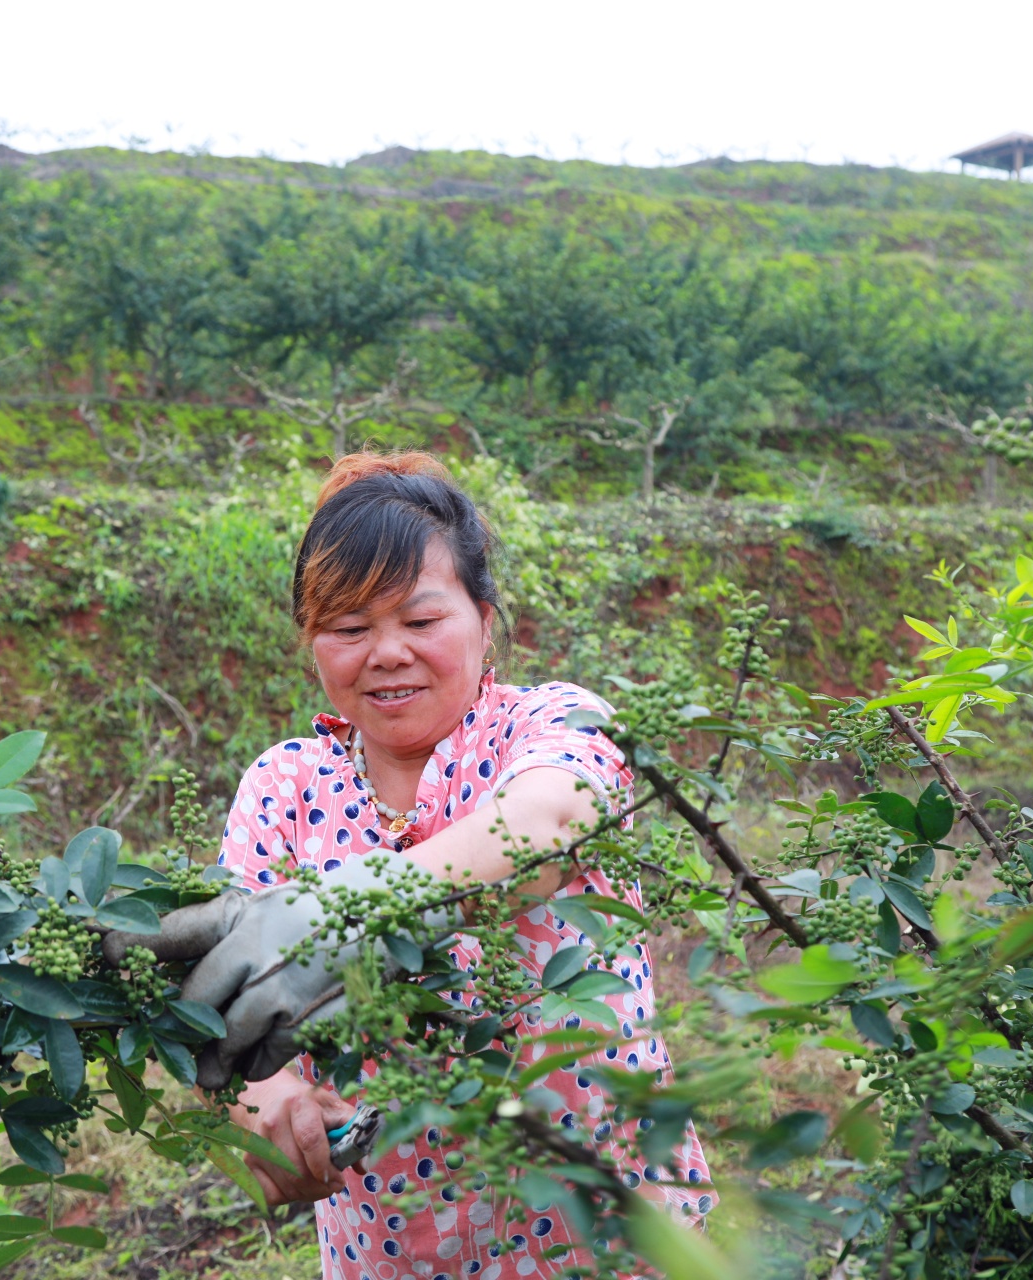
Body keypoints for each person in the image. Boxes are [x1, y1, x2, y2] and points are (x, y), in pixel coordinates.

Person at [150, 452, 709, 1280]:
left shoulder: (555, 723)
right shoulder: (282, 787)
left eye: (419, 621)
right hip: (393, 1249)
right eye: (348, 628)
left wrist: (362, 905)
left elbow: (547, 820)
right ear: (312, 643)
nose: (385, 654)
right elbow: (240, 1002)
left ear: (485, 620)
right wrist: (277, 1115)